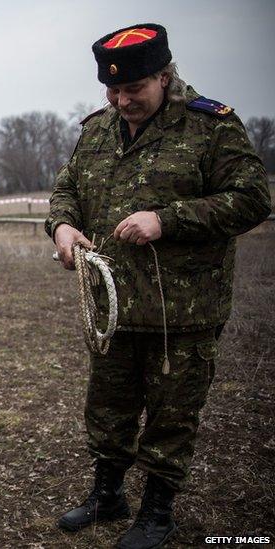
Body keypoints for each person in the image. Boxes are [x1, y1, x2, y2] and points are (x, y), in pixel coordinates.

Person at [46, 23, 271, 549]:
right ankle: (107, 494)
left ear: (165, 76)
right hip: (114, 307)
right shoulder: (97, 129)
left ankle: (158, 510)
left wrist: (167, 220)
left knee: (172, 416)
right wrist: (61, 226)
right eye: (114, 90)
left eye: (134, 89)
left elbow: (253, 198)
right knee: (107, 408)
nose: (123, 100)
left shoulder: (212, 127)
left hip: (183, 312)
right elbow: (67, 188)